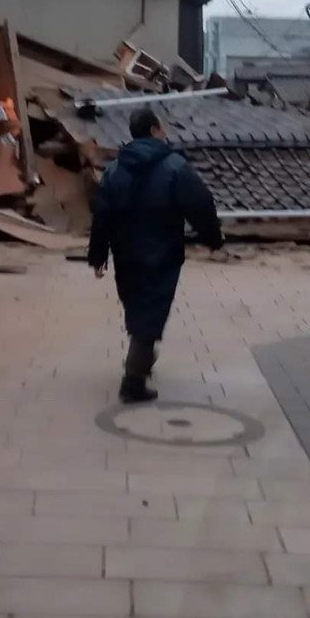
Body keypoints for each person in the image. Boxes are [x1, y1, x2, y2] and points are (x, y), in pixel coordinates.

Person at [88, 105, 223, 403]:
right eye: (162, 128)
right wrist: (213, 237)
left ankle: (143, 357)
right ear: (153, 130)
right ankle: (133, 380)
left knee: (139, 307)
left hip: (125, 255)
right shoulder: (175, 167)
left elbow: (102, 215)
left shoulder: (114, 170)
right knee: (150, 314)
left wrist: (98, 256)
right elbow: (201, 204)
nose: (165, 133)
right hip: (162, 253)